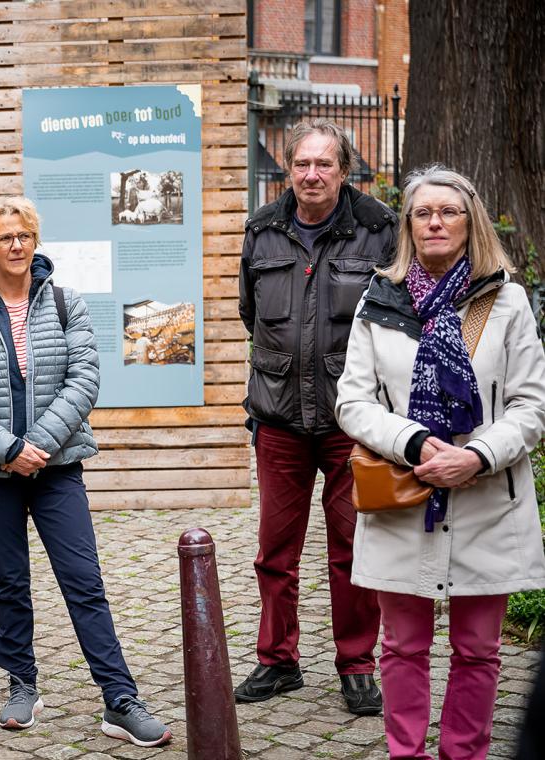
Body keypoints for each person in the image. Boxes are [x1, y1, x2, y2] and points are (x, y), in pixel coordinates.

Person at [0, 197, 172, 748]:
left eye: (24, 235)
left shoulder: (66, 302)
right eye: (4, 238)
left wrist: (36, 446)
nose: (16, 245)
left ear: (35, 240)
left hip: (56, 466)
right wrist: (6, 450)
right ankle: (22, 684)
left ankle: (119, 698)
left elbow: (85, 378)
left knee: (84, 582)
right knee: (10, 581)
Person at [336, 165, 545, 759]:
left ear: (470, 220)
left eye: (447, 211)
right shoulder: (379, 300)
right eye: (423, 212)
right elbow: (352, 400)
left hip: (487, 498)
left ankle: (464, 753)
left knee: (479, 650)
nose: (435, 222)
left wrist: (476, 455)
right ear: (408, 224)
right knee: (402, 648)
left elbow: (532, 404)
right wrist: (413, 441)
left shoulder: (505, 301)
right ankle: (407, 753)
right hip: (405, 492)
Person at [236, 118, 395, 714]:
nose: (311, 175)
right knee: (275, 551)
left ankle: (357, 665)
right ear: (288, 168)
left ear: (343, 170)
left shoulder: (379, 229)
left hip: (352, 422)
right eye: (301, 163)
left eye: (323, 164)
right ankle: (278, 661)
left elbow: (398, 321)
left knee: (353, 549)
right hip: (278, 418)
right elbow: (252, 315)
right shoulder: (262, 229)